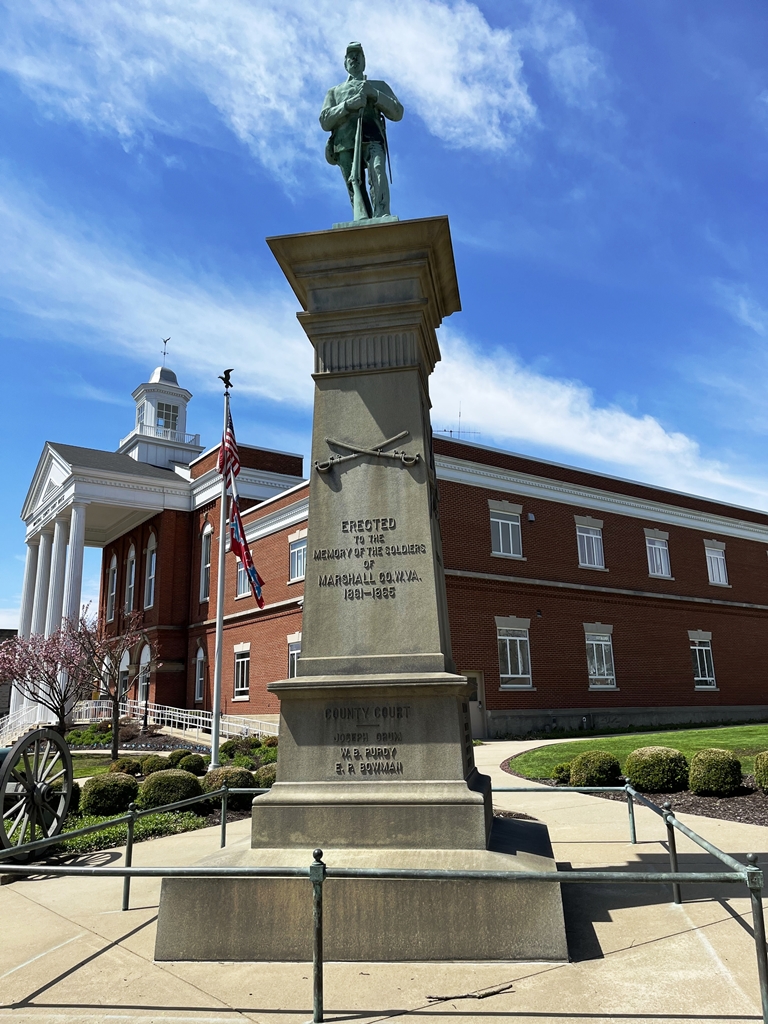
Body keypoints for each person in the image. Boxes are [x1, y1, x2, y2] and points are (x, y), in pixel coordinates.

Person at [320, 42, 403, 219]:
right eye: (350, 56)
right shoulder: (334, 92)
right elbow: (325, 120)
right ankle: (362, 219)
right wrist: (348, 105)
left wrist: (375, 94)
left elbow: (397, 112)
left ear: (364, 61)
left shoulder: (378, 85)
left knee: (378, 171)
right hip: (344, 143)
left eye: (358, 55)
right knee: (354, 185)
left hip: (372, 136)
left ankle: (382, 215)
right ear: (345, 63)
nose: (354, 59)